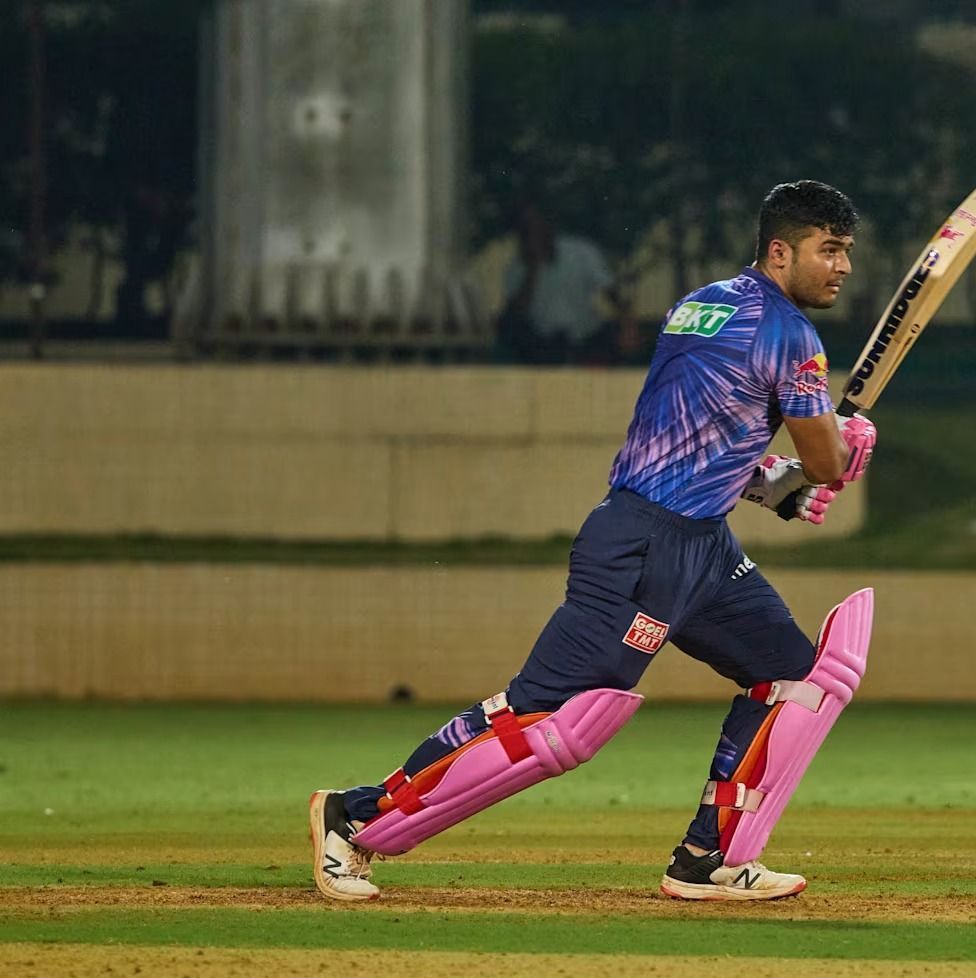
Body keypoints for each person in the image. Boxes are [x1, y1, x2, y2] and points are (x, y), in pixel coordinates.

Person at [310, 179, 878, 903]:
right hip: (642, 546)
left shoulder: (700, 306)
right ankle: (352, 819)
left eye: (846, 252)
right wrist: (843, 445)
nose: (842, 267)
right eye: (828, 250)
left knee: (796, 681)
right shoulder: (790, 337)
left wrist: (773, 481)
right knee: (550, 722)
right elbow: (826, 461)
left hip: (699, 543)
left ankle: (709, 859)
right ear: (779, 250)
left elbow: (697, 430)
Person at [497, 203, 633, 364]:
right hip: (544, 344)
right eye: (527, 229)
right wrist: (532, 270)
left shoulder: (580, 252)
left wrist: (627, 324)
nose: (534, 232)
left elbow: (609, 290)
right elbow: (517, 312)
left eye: (537, 225)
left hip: (587, 337)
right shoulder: (517, 269)